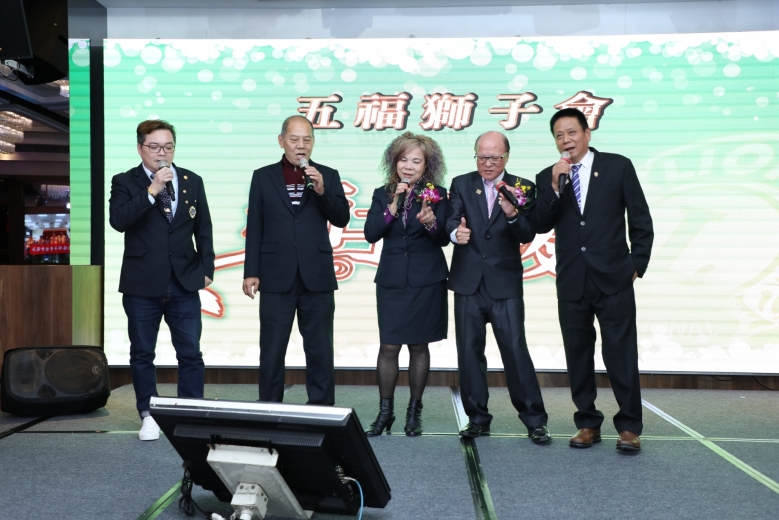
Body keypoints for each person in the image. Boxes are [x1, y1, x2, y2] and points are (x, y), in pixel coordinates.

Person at [531, 108, 654, 451]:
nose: (566, 140)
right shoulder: (548, 176)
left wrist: (637, 263)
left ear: (587, 133)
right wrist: (554, 187)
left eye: (572, 132)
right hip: (573, 279)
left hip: (614, 277)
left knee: (621, 353)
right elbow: (540, 223)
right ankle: (587, 422)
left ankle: (629, 426)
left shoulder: (617, 166)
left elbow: (640, 218)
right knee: (578, 354)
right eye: (559, 135)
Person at [109, 119, 214, 441]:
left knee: (191, 352)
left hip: (184, 281)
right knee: (142, 353)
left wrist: (207, 269)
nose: (162, 153)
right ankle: (149, 413)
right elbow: (119, 221)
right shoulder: (125, 181)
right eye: (154, 147)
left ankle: (190, 412)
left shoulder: (192, 180)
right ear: (140, 148)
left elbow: (204, 229)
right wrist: (152, 190)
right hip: (142, 283)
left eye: (168, 147)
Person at [446, 131, 550, 444]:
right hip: (468, 282)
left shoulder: (522, 187)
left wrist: (512, 214)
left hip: (504, 282)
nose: (487, 163)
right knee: (469, 352)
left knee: (515, 350)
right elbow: (451, 218)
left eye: (494, 158)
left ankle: (534, 420)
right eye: (481, 157)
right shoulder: (462, 183)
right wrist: (455, 234)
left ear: (506, 157)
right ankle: (477, 419)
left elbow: (527, 233)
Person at [242, 115, 350, 406]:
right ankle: (269, 408)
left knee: (320, 348)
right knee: (272, 348)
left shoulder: (327, 174)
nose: (301, 145)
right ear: (281, 141)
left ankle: (321, 409)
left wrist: (322, 190)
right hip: (275, 273)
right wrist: (251, 271)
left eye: (307, 139)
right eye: (294, 139)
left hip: (317, 274)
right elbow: (255, 226)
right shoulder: (263, 176)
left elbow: (341, 218)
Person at [363, 132, 449, 437]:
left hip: (426, 279)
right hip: (392, 279)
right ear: (394, 162)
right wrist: (392, 208)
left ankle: (414, 412)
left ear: (426, 166)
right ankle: (385, 412)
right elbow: (371, 233)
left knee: (418, 345)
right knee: (389, 345)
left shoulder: (437, 194)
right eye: (403, 160)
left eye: (416, 161)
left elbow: (443, 238)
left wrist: (430, 223)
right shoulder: (383, 193)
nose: (408, 166)